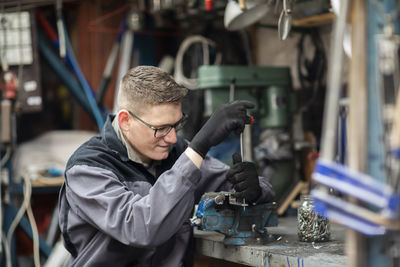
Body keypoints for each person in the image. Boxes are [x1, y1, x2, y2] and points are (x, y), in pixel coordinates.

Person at [58, 65, 274, 266]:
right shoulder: (88, 169)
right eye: (160, 128)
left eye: (176, 125)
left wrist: (254, 188)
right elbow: (140, 227)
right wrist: (200, 145)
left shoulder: (175, 153)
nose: (171, 138)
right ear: (125, 122)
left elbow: (234, 185)